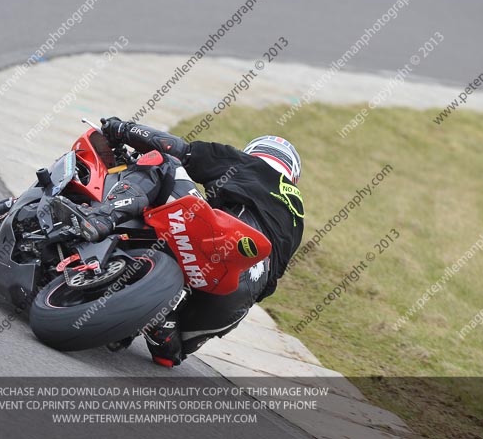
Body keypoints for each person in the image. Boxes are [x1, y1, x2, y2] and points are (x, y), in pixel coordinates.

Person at [51, 117, 304, 367]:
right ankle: (163, 325)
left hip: (220, 242)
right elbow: (271, 283)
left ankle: (101, 218)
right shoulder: (296, 219)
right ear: (292, 174)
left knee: (163, 162)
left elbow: (177, 149)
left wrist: (122, 130)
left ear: (256, 153)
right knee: (170, 353)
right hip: (235, 299)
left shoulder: (250, 165)